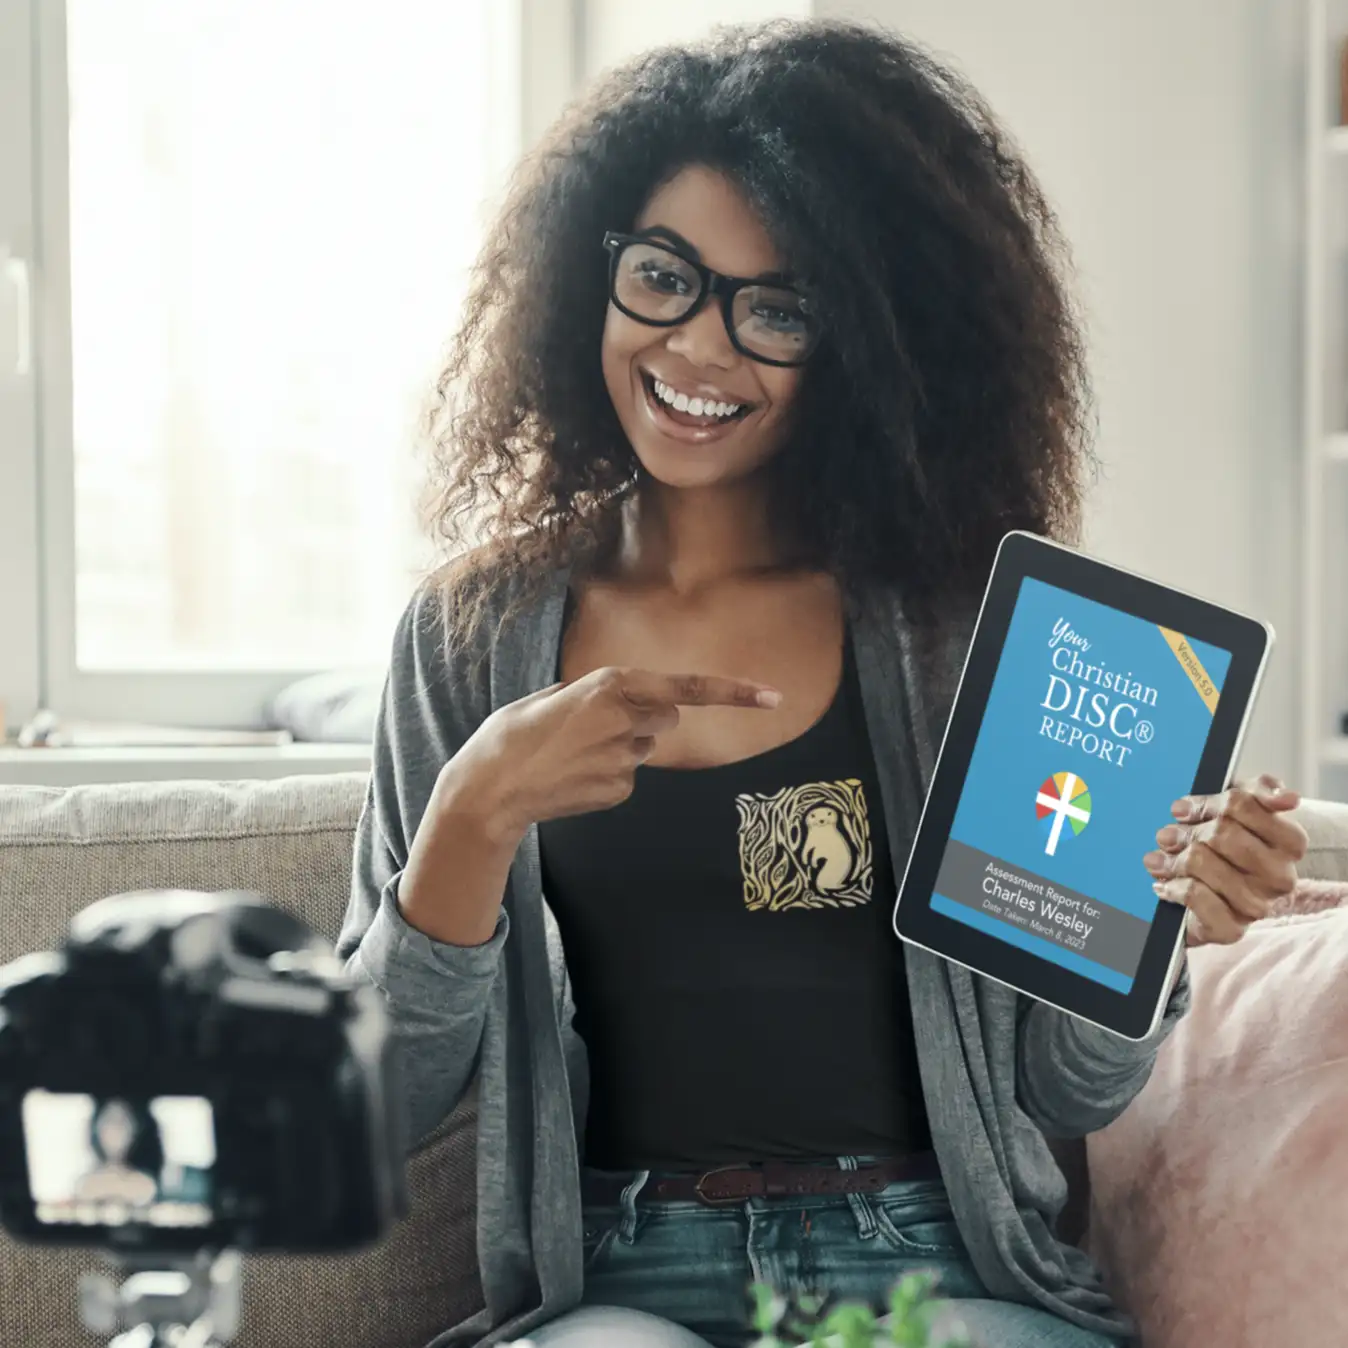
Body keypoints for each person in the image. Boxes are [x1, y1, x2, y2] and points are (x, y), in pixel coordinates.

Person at [336, 19, 1308, 1348]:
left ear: (869, 344)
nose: (699, 348)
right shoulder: (471, 635)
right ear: (591, 272)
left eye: (778, 307)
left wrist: (1155, 935)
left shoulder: (976, 629)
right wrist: (468, 823)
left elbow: (1069, 1091)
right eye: (664, 275)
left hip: (937, 1264)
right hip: (622, 1280)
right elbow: (378, 1110)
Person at [73, 1098, 162, 1209]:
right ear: (97, 1128)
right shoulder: (85, 1184)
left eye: (122, 1122)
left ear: (134, 1131)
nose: (116, 1130)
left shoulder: (145, 1184)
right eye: (109, 1122)